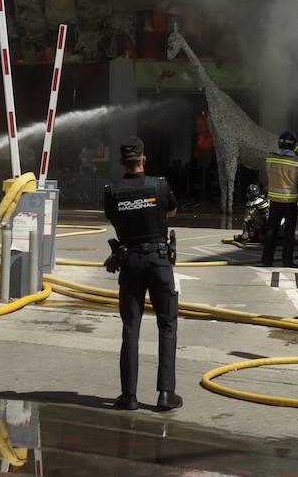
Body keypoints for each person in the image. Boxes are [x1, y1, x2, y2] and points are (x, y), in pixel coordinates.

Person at [103, 136, 181, 412]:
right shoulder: (159, 186)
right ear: (143, 160)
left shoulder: (112, 191)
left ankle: (129, 396)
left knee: (130, 329)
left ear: (122, 161)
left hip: (131, 262)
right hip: (159, 262)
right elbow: (171, 209)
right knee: (167, 325)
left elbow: (113, 219)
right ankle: (165, 394)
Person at [261, 130, 298, 268]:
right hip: (290, 202)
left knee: (271, 231)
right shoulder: (297, 161)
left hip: (274, 201)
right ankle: (287, 260)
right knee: (289, 234)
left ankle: (267, 260)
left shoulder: (270, 158)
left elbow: (269, 173)